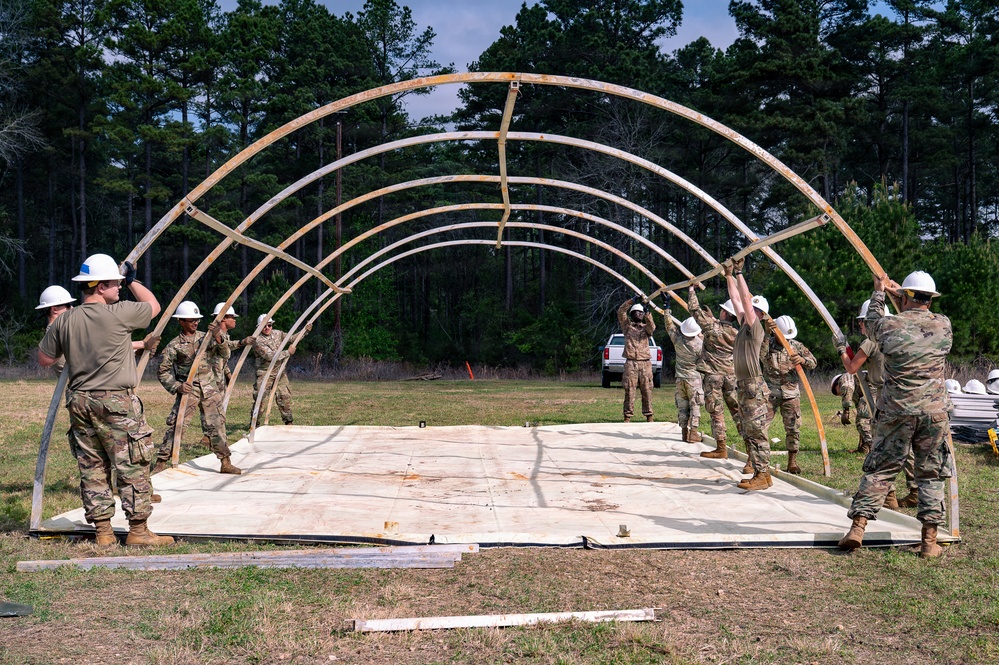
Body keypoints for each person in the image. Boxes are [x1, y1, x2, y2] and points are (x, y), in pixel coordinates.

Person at [37, 253, 173, 547]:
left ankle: (104, 533)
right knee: (132, 463)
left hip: (80, 402)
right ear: (99, 286)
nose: (120, 287)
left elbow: (46, 358)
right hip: (115, 402)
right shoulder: (119, 313)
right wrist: (135, 281)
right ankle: (138, 531)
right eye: (116, 283)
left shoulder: (65, 320)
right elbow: (154, 307)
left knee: (93, 466)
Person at [837, 271, 953, 558]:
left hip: (896, 410)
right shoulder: (943, 326)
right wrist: (899, 292)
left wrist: (880, 290)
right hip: (933, 412)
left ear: (905, 297)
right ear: (930, 298)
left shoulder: (889, 326)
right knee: (930, 474)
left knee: (881, 469)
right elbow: (911, 312)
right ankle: (929, 541)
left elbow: (874, 322)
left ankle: (858, 528)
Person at [837, 299, 916, 506]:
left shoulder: (871, 340)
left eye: (863, 322)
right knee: (904, 443)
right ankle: (915, 489)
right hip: (904, 394)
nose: (862, 326)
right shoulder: (899, 337)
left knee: (882, 444)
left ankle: (888, 495)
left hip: (884, 396)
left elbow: (852, 368)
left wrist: (841, 350)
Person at [154, 301, 241, 475]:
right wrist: (177, 387)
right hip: (189, 389)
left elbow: (226, 354)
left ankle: (225, 462)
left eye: (197, 320)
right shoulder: (174, 345)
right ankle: (161, 463)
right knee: (177, 425)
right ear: (181, 321)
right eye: (191, 320)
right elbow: (162, 371)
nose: (195, 323)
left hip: (210, 388)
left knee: (217, 425)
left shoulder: (206, 337)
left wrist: (219, 337)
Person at [723, 257, 772, 490]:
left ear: (760, 314)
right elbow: (736, 299)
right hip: (744, 385)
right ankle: (761, 473)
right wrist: (728, 275)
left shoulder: (756, 329)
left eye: (755, 310)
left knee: (758, 432)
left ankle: (763, 474)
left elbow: (745, 299)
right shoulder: (743, 325)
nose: (749, 311)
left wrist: (740, 272)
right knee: (749, 431)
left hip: (753, 385)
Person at [689, 286, 745, 459]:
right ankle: (751, 452)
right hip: (731, 375)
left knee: (716, 411)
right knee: (737, 411)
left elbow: (694, 309)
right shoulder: (738, 333)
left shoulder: (712, 328)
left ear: (723, 313)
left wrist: (692, 291)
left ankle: (721, 447)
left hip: (713, 375)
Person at [760, 315, 816, 474]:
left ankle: (792, 462)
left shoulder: (796, 346)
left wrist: (803, 360)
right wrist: (766, 334)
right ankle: (756, 461)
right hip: (770, 392)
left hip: (791, 393)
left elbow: (813, 363)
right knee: (760, 426)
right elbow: (761, 357)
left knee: (793, 428)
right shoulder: (768, 343)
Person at [252, 315, 303, 425]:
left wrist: (305, 331)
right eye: (264, 326)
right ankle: (254, 424)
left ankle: (288, 422)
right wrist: (287, 352)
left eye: (269, 325)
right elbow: (270, 356)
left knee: (284, 396)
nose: (267, 328)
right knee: (261, 399)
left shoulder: (278, 333)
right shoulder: (257, 340)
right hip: (265, 373)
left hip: (280, 372)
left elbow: (292, 338)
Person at [663, 308, 703, 442]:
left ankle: (684, 432)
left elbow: (669, 326)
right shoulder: (699, 344)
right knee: (695, 405)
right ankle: (694, 433)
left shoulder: (677, 340)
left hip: (680, 378)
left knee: (683, 406)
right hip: (694, 379)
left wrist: (667, 311)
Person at [615, 297, 656, 423]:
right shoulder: (627, 327)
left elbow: (652, 327)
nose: (640, 314)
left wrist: (648, 312)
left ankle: (649, 415)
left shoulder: (646, 328)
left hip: (645, 363)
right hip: (631, 362)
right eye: (637, 311)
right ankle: (627, 416)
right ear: (632, 314)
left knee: (647, 390)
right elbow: (621, 312)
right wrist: (631, 301)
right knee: (629, 390)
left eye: (642, 312)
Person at [209, 303, 255, 394]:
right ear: (223, 318)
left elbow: (223, 352)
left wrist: (227, 374)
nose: (234, 320)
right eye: (232, 317)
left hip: (219, 379)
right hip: (212, 381)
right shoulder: (214, 337)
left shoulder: (223, 336)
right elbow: (222, 353)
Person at [36, 285, 77, 375]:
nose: (72, 308)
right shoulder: (58, 332)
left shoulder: (56, 331)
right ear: (55, 309)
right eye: (68, 305)